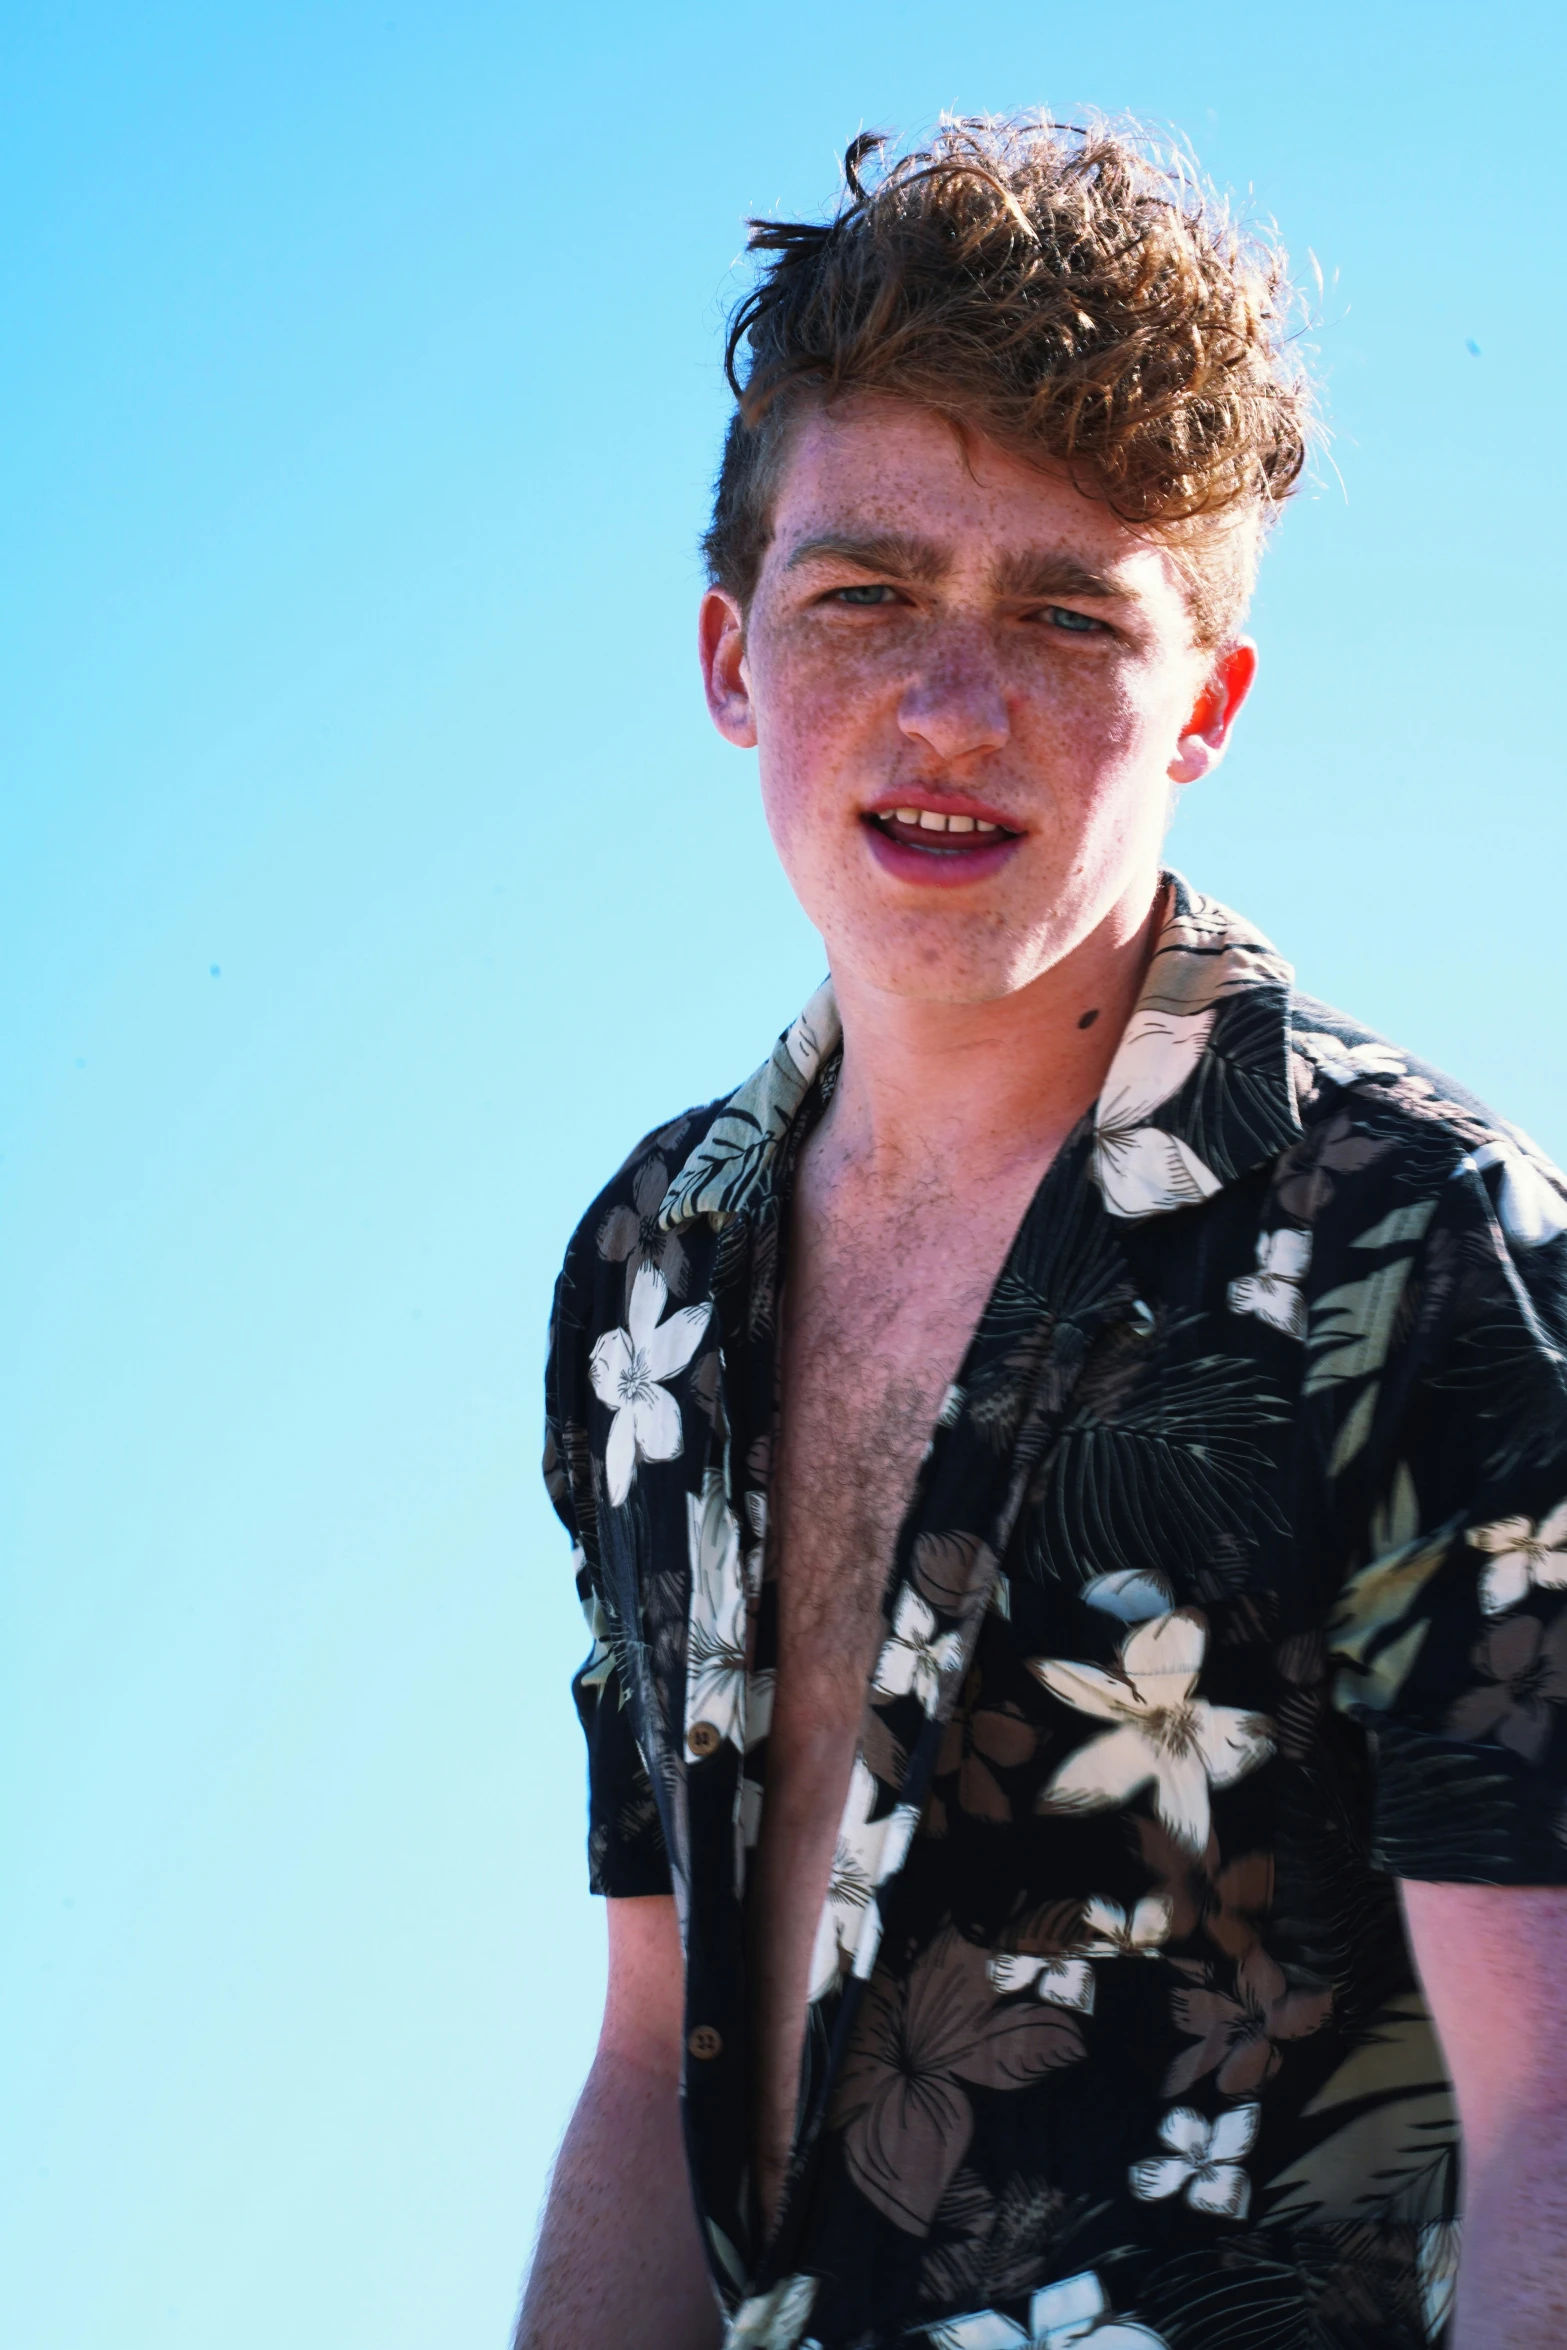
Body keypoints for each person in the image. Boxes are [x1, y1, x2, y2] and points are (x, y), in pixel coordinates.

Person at [514, 116, 1567, 2350]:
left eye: (1071, 618)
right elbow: (651, 2057)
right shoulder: (646, 1283)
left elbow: (1561, 2086)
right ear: (731, 655)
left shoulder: (1416, 1232)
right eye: (866, 592)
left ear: (1206, 705)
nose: (950, 707)